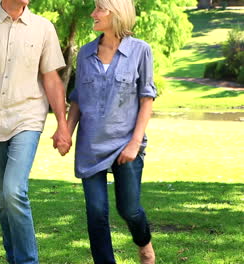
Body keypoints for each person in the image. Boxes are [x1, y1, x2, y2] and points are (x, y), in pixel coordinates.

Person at [0, 0, 71, 263]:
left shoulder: (43, 28)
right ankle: (14, 258)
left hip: (27, 118)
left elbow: (51, 78)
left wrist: (62, 125)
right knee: (2, 199)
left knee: (13, 190)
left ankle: (28, 261)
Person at [57, 0, 157, 263]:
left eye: (99, 9)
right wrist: (66, 132)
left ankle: (144, 245)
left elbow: (147, 98)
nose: (93, 14)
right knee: (96, 212)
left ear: (117, 13)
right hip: (90, 145)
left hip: (126, 143)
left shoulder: (141, 51)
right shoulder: (86, 53)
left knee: (130, 210)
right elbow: (78, 98)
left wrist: (135, 143)